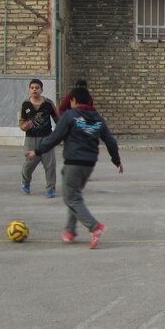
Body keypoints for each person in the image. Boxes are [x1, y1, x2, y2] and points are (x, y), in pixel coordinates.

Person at [28, 85, 122, 249]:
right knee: (74, 195)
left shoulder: (71, 116)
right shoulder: (98, 118)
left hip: (74, 162)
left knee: (71, 198)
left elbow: (55, 137)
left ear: (73, 100)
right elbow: (111, 141)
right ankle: (70, 231)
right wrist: (116, 160)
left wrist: (37, 150)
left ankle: (95, 227)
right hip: (89, 164)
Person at [20, 78, 59, 197]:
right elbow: (22, 122)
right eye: (32, 88)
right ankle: (25, 182)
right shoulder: (26, 104)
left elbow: (58, 119)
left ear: (41, 90)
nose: (34, 90)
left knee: (50, 165)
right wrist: (24, 126)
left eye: (37, 88)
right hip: (31, 139)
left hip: (46, 138)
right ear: (29, 90)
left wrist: (61, 133)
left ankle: (50, 189)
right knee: (28, 165)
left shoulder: (48, 104)